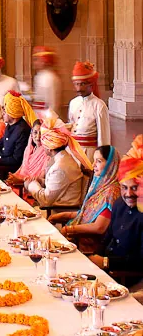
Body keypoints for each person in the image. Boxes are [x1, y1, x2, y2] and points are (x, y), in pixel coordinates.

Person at [88, 136, 143, 286]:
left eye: (134, 188)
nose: (128, 194)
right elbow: (108, 237)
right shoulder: (119, 204)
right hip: (106, 270)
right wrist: (96, 256)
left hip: (126, 278)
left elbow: (140, 260)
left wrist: (106, 262)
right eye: (124, 187)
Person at [49, 145, 120, 254]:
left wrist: (70, 229)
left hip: (92, 247)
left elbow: (99, 227)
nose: (93, 165)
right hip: (80, 239)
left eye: (99, 161)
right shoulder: (101, 186)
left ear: (111, 165)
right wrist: (64, 215)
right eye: (94, 161)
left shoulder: (112, 191)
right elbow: (89, 214)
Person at [25, 113, 92, 210]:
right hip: (55, 207)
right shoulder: (62, 159)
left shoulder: (60, 167)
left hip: (59, 214)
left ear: (49, 146)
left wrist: (31, 185)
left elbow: (46, 200)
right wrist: (41, 181)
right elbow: (57, 186)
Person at [0, 91, 34, 179]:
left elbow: (16, 160)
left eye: (5, 109)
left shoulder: (23, 130)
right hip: (0, 163)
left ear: (13, 112)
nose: (3, 112)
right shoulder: (9, 126)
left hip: (10, 170)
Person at [68, 61, 110, 161]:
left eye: (82, 84)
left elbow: (103, 137)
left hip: (90, 154)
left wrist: (101, 158)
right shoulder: (73, 103)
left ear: (91, 85)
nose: (78, 88)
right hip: (73, 152)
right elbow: (71, 125)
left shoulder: (99, 105)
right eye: (76, 84)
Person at [6, 119, 48, 187]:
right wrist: (13, 176)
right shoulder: (29, 149)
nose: (38, 137)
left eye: (41, 133)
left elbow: (41, 179)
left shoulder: (47, 153)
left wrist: (21, 180)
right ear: (31, 133)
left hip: (32, 190)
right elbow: (22, 167)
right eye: (35, 132)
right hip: (20, 185)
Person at [31, 47, 61, 113]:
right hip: (38, 115)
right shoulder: (40, 76)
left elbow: (52, 103)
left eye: (36, 60)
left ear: (43, 61)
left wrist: (48, 121)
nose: (34, 63)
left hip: (46, 117)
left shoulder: (49, 77)